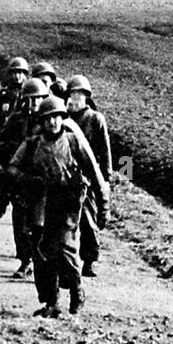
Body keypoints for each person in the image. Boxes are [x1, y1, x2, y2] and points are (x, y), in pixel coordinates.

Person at [5, 95, 110, 318]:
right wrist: (28, 179)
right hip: (39, 203)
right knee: (41, 253)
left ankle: (76, 289)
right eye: (47, 118)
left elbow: (94, 172)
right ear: (41, 121)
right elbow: (12, 168)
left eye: (56, 117)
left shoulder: (73, 141)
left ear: (63, 118)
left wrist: (104, 206)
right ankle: (51, 301)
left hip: (67, 202)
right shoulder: (32, 144)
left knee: (65, 248)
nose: (52, 122)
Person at [0, 77, 46, 279]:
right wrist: (12, 149)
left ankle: (39, 260)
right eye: (30, 100)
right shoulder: (17, 119)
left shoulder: (48, 122)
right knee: (20, 224)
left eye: (38, 100)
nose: (34, 104)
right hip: (19, 180)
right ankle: (25, 261)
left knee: (39, 224)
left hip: (40, 181)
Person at [65, 74, 113, 277]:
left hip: (89, 178)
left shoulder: (95, 119)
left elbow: (105, 151)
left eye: (79, 94)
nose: (75, 98)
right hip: (67, 178)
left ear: (86, 96)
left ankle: (89, 260)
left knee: (89, 223)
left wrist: (105, 178)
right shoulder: (64, 118)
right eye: (72, 94)